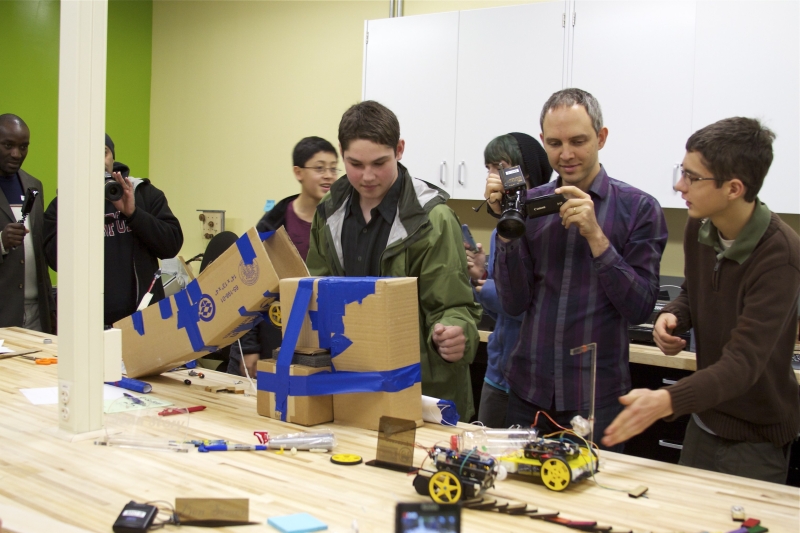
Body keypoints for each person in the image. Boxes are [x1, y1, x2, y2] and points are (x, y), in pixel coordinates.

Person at [602, 117, 800, 483]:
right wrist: (676, 315)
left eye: (693, 177)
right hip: (704, 418)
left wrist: (667, 400)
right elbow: (694, 292)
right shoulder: (701, 224)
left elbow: (742, 364)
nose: (680, 185)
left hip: (755, 438)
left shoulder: (782, 255)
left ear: (734, 188)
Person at [484, 88, 667, 449]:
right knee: (520, 492)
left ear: (601, 137)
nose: (565, 154)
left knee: (592, 501)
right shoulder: (530, 206)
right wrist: (506, 230)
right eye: (554, 143)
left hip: (596, 397)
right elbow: (514, 301)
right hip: (529, 393)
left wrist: (598, 239)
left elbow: (640, 307)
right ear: (543, 141)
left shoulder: (640, 209)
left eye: (578, 141)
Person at [306, 100, 482, 421]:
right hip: (350, 381)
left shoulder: (433, 219)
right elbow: (316, 293)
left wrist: (457, 332)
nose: (368, 176)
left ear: (399, 149)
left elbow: (453, 306)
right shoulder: (328, 213)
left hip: (421, 389)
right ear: (342, 155)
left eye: (379, 162)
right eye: (355, 163)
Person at [43, 134, 183, 326]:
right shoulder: (64, 204)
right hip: (86, 324)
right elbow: (55, 260)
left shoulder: (144, 193)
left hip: (143, 321)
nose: (98, 160)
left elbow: (171, 245)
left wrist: (134, 214)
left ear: (112, 157)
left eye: (103, 152)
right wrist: (80, 209)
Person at [228, 136, 339, 377]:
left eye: (333, 168)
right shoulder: (273, 225)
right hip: (272, 335)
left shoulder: (340, 223)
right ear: (298, 172)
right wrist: (249, 347)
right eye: (319, 168)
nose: (328, 175)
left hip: (321, 341)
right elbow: (249, 286)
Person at [466, 132, 552, 428]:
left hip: (528, 383)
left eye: (501, 168)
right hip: (497, 374)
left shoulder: (545, 229)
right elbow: (499, 313)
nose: (492, 178)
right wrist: (481, 274)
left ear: (526, 174)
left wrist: (484, 286)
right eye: (489, 168)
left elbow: (519, 306)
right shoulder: (501, 229)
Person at [0, 114, 54, 333]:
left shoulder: (34, 185)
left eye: (23, 147)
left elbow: (39, 249)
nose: (16, 154)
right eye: (8, 145)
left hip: (37, 312)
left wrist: (50, 306)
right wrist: (1, 242)